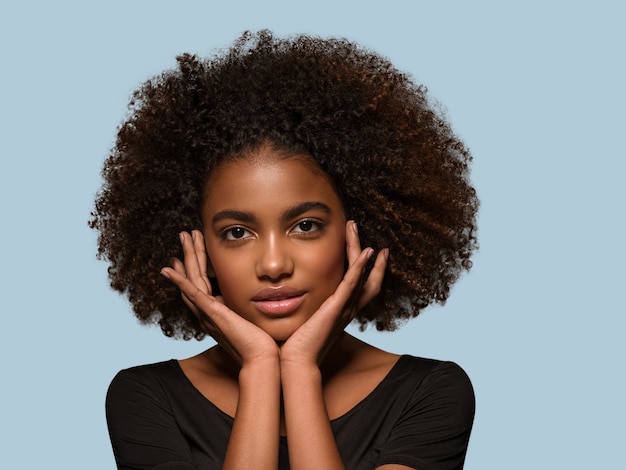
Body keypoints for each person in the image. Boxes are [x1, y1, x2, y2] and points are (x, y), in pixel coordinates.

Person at [90, 30, 479, 470]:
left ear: (360, 232)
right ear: (198, 249)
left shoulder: (430, 391)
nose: (274, 265)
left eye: (306, 226)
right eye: (237, 232)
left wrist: (298, 368)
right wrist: (258, 368)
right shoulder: (145, 397)